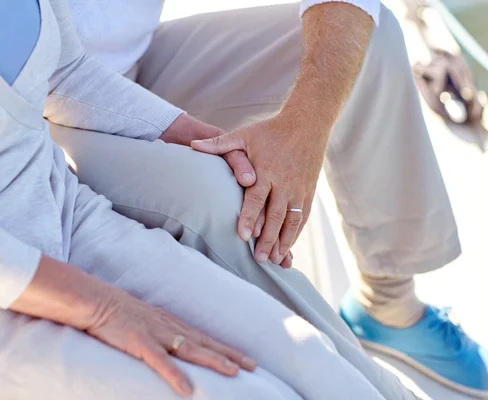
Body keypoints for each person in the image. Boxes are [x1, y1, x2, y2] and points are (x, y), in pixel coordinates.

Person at [0, 0, 418, 399]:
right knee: (250, 394)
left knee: (316, 366)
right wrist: (102, 306)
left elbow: (64, 73)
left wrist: (215, 147)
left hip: (65, 217)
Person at [54, 0, 488, 396]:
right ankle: (353, 382)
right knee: (216, 195)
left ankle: (389, 307)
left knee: (369, 35)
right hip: (34, 116)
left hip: (129, 61)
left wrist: (304, 127)